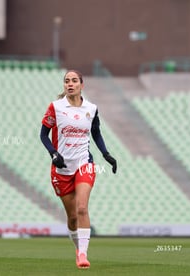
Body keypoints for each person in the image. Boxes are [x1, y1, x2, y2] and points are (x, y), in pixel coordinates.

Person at [40, 70, 117, 269]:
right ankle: (77, 248)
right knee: (72, 217)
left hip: (84, 163)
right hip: (62, 169)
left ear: (82, 85)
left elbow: (96, 133)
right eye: (67, 81)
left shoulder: (91, 108)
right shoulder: (55, 107)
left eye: (74, 81)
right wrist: (53, 154)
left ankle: (83, 254)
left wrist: (106, 154)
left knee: (82, 208)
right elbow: (43, 135)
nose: (70, 84)